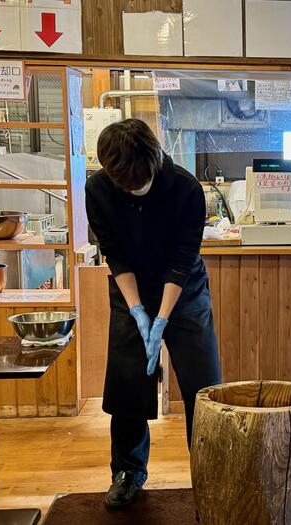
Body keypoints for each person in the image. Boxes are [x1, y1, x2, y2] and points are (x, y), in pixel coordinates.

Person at [85, 119, 222, 510]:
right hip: (131, 288)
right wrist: (139, 312)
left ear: (157, 158)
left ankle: (211, 470)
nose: (136, 189)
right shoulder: (98, 189)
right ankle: (127, 471)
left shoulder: (185, 188)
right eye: (128, 185)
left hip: (184, 289)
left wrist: (161, 318)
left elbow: (182, 260)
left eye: (143, 181)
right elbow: (115, 253)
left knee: (204, 385)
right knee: (128, 381)